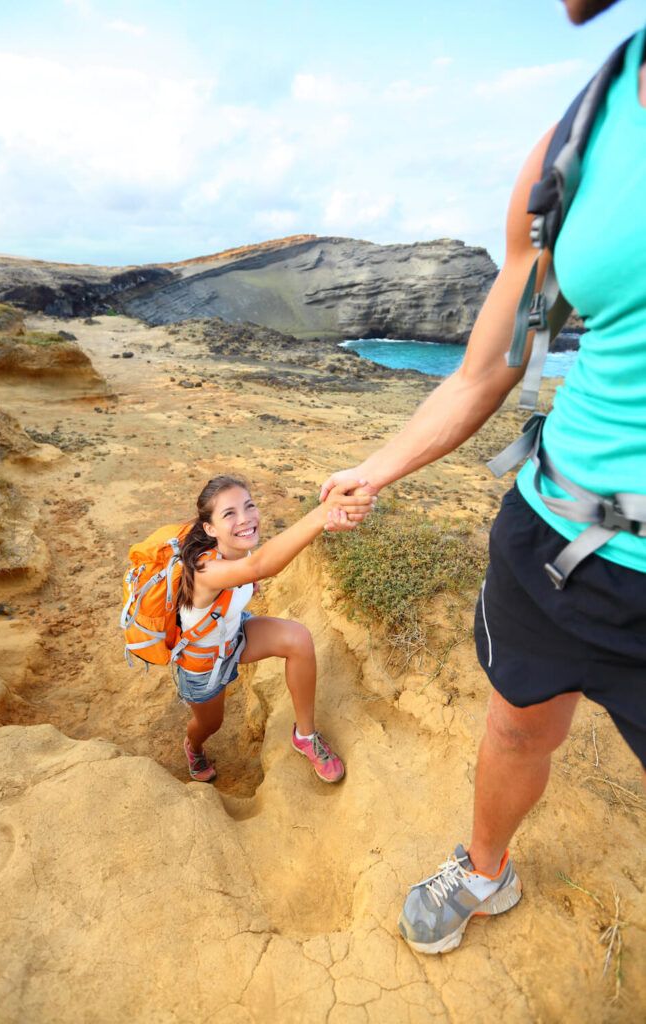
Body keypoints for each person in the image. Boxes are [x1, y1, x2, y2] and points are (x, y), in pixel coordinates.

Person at [320, 0, 646, 955]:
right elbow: (490, 364)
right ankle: (484, 869)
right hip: (547, 539)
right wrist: (376, 470)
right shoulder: (579, 138)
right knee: (516, 728)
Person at [173, 474, 374, 784]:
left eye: (249, 506)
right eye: (230, 514)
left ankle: (305, 736)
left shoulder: (236, 548)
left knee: (298, 639)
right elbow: (260, 567)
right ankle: (193, 747)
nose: (245, 519)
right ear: (210, 528)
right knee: (210, 724)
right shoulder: (206, 569)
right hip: (204, 663)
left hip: (234, 635)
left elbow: (250, 571)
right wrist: (321, 515)